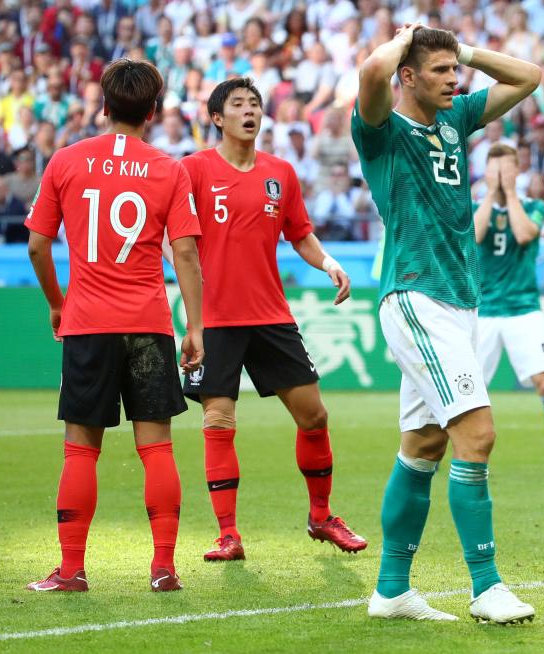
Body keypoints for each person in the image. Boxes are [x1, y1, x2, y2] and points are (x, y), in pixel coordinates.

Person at [353, 24, 540, 623]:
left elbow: (529, 78)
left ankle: (391, 589)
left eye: (454, 71)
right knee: (477, 434)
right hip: (416, 295)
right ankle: (486, 587)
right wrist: (406, 35)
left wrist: (464, 50)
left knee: (424, 445)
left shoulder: (455, 118)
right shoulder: (381, 131)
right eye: (440, 71)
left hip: (460, 302)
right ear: (407, 76)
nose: (455, 80)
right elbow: (369, 74)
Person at [24, 59, 205, 594]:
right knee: (158, 449)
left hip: (88, 323)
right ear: (153, 112)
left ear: (104, 105)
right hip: (148, 323)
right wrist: (195, 327)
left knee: (81, 448)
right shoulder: (168, 169)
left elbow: (37, 244)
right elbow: (187, 253)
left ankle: (73, 569)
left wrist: (58, 303)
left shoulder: (66, 161)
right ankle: (164, 567)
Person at [176, 78, 367, 563]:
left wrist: (328, 263)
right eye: (238, 104)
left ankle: (321, 516)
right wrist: (188, 318)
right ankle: (228, 534)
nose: (249, 111)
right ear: (217, 117)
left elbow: (299, 233)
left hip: (270, 315)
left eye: (255, 105)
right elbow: (175, 241)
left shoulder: (280, 172)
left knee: (314, 415)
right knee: (219, 420)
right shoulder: (193, 170)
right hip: (215, 319)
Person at [473, 144, 544, 475]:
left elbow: (525, 235)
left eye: (506, 170)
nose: (500, 177)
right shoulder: (475, 206)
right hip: (483, 312)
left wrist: (510, 194)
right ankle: (458, 456)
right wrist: (491, 195)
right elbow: (474, 235)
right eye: (494, 170)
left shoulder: (532, 206)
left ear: (517, 172)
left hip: (523, 309)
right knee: (468, 388)